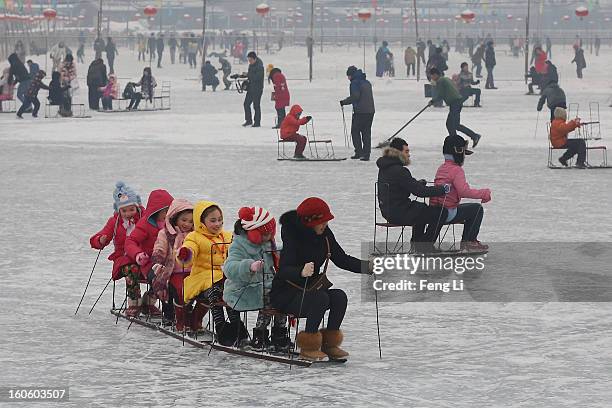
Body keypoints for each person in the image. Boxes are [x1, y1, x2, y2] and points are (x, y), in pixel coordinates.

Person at [270, 197, 370, 361]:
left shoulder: (325, 234)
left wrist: (369, 267)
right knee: (320, 298)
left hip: (310, 289)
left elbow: (342, 259)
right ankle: (308, 347)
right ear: (309, 221)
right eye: (322, 221)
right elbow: (283, 271)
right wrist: (301, 271)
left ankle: (329, 345)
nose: (325, 225)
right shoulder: (293, 236)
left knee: (339, 296)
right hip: (286, 294)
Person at [177, 201, 247, 347]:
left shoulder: (227, 236)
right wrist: (185, 253)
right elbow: (190, 249)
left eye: (220, 220)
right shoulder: (194, 237)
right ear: (201, 222)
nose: (218, 223)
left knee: (231, 295)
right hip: (203, 277)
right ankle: (221, 328)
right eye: (213, 220)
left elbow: (239, 248)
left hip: (224, 277)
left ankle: (238, 331)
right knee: (215, 294)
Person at [223, 206, 291, 352]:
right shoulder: (239, 245)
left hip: (266, 285)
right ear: (253, 232)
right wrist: (249, 266)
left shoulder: (267, 243)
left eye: (271, 233)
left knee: (284, 296)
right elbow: (229, 268)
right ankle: (260, 334)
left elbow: (274, 254)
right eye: (266, 234)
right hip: (244, 287)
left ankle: (279, 333)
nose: (269, 237)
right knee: (270, 299)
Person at [376, 138, 450, 251]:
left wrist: (417, 184)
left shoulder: (385, 169)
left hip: (388, 211)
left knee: (421, 210)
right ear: (398, 152)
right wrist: (442, 190)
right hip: (400, 212)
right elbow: (419, 192)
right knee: (441, 212)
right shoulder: (400, 170)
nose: (409, 155)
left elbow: (400, 187)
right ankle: (425, 246)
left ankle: (417, 245)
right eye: (406, 151)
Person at [90, 182, 145, 317]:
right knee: (132, 269)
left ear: (137, 207)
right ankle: (134, 304)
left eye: (131, 209)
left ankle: (149, 302)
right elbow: (97, 238)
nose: (128, 213)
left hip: (144, 257)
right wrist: (100, 240)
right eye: (124, 210)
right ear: (118, 210)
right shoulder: (114, 222)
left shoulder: (145, 219)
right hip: (124, 260)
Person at [430, 136, 491, 252]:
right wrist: (484, 193)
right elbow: (463, 191)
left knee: (467, 208)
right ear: (458, 153)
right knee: (476, 209)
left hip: (436, 209)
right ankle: (469, 242)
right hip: (448, 212)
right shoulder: (456, 170)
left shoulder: (442, 168)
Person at [125, 189, 174, 318]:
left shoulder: (174, 224)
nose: (168, 214)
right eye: (165, 211)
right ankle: (166, 311)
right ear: (156, 211)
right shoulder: (146, 224)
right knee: (160, 278)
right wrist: (138, 254)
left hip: (171, 261)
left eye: (170, 210)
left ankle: (150, 302)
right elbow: (130, 241)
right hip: (150, 262)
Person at [151, 199, 198, 332]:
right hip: (173, 272)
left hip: (193, 271)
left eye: (191, 221)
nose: (187, 224)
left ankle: (191, 317)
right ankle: (180, 321)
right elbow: (159, 249)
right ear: (175, 217)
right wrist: (158, 261)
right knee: (180, 290)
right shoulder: (166, 234)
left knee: (199, 290)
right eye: (184, 220)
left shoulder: (195, 235)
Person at [428, 68, 481, 147]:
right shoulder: (445, 79)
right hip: (457, 102)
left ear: (435, 75)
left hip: (455, 103)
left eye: (431, 76)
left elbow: (441, 94)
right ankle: (465, 139)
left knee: (451, 124)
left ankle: (461, 141)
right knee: (453, 124)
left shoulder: (440, 81)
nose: (431, 78)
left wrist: (433, 101)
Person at [340, 66, 375, 161]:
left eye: (348, 76)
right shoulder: (366, 82)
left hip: (360, 112)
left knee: (355, 131)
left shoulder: (355, 83)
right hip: (370, 111)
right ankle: (366, 154)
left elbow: (355, 96)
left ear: (351, 75)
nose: (348, 78)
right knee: (366, 133)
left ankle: (359, 152)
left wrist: (344, 102)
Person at [242, 51, 264, 127]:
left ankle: (257, 122)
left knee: (256, 105)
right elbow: (251, 76)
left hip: (257, 89)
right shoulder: (251, 65)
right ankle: (248, 120)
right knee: (246, 104)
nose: (249, 62)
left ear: (254, 59)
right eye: (248, 60)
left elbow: (257, 77)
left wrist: (248, 75)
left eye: (250, 60)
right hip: (251, 88)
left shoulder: (260, 66)